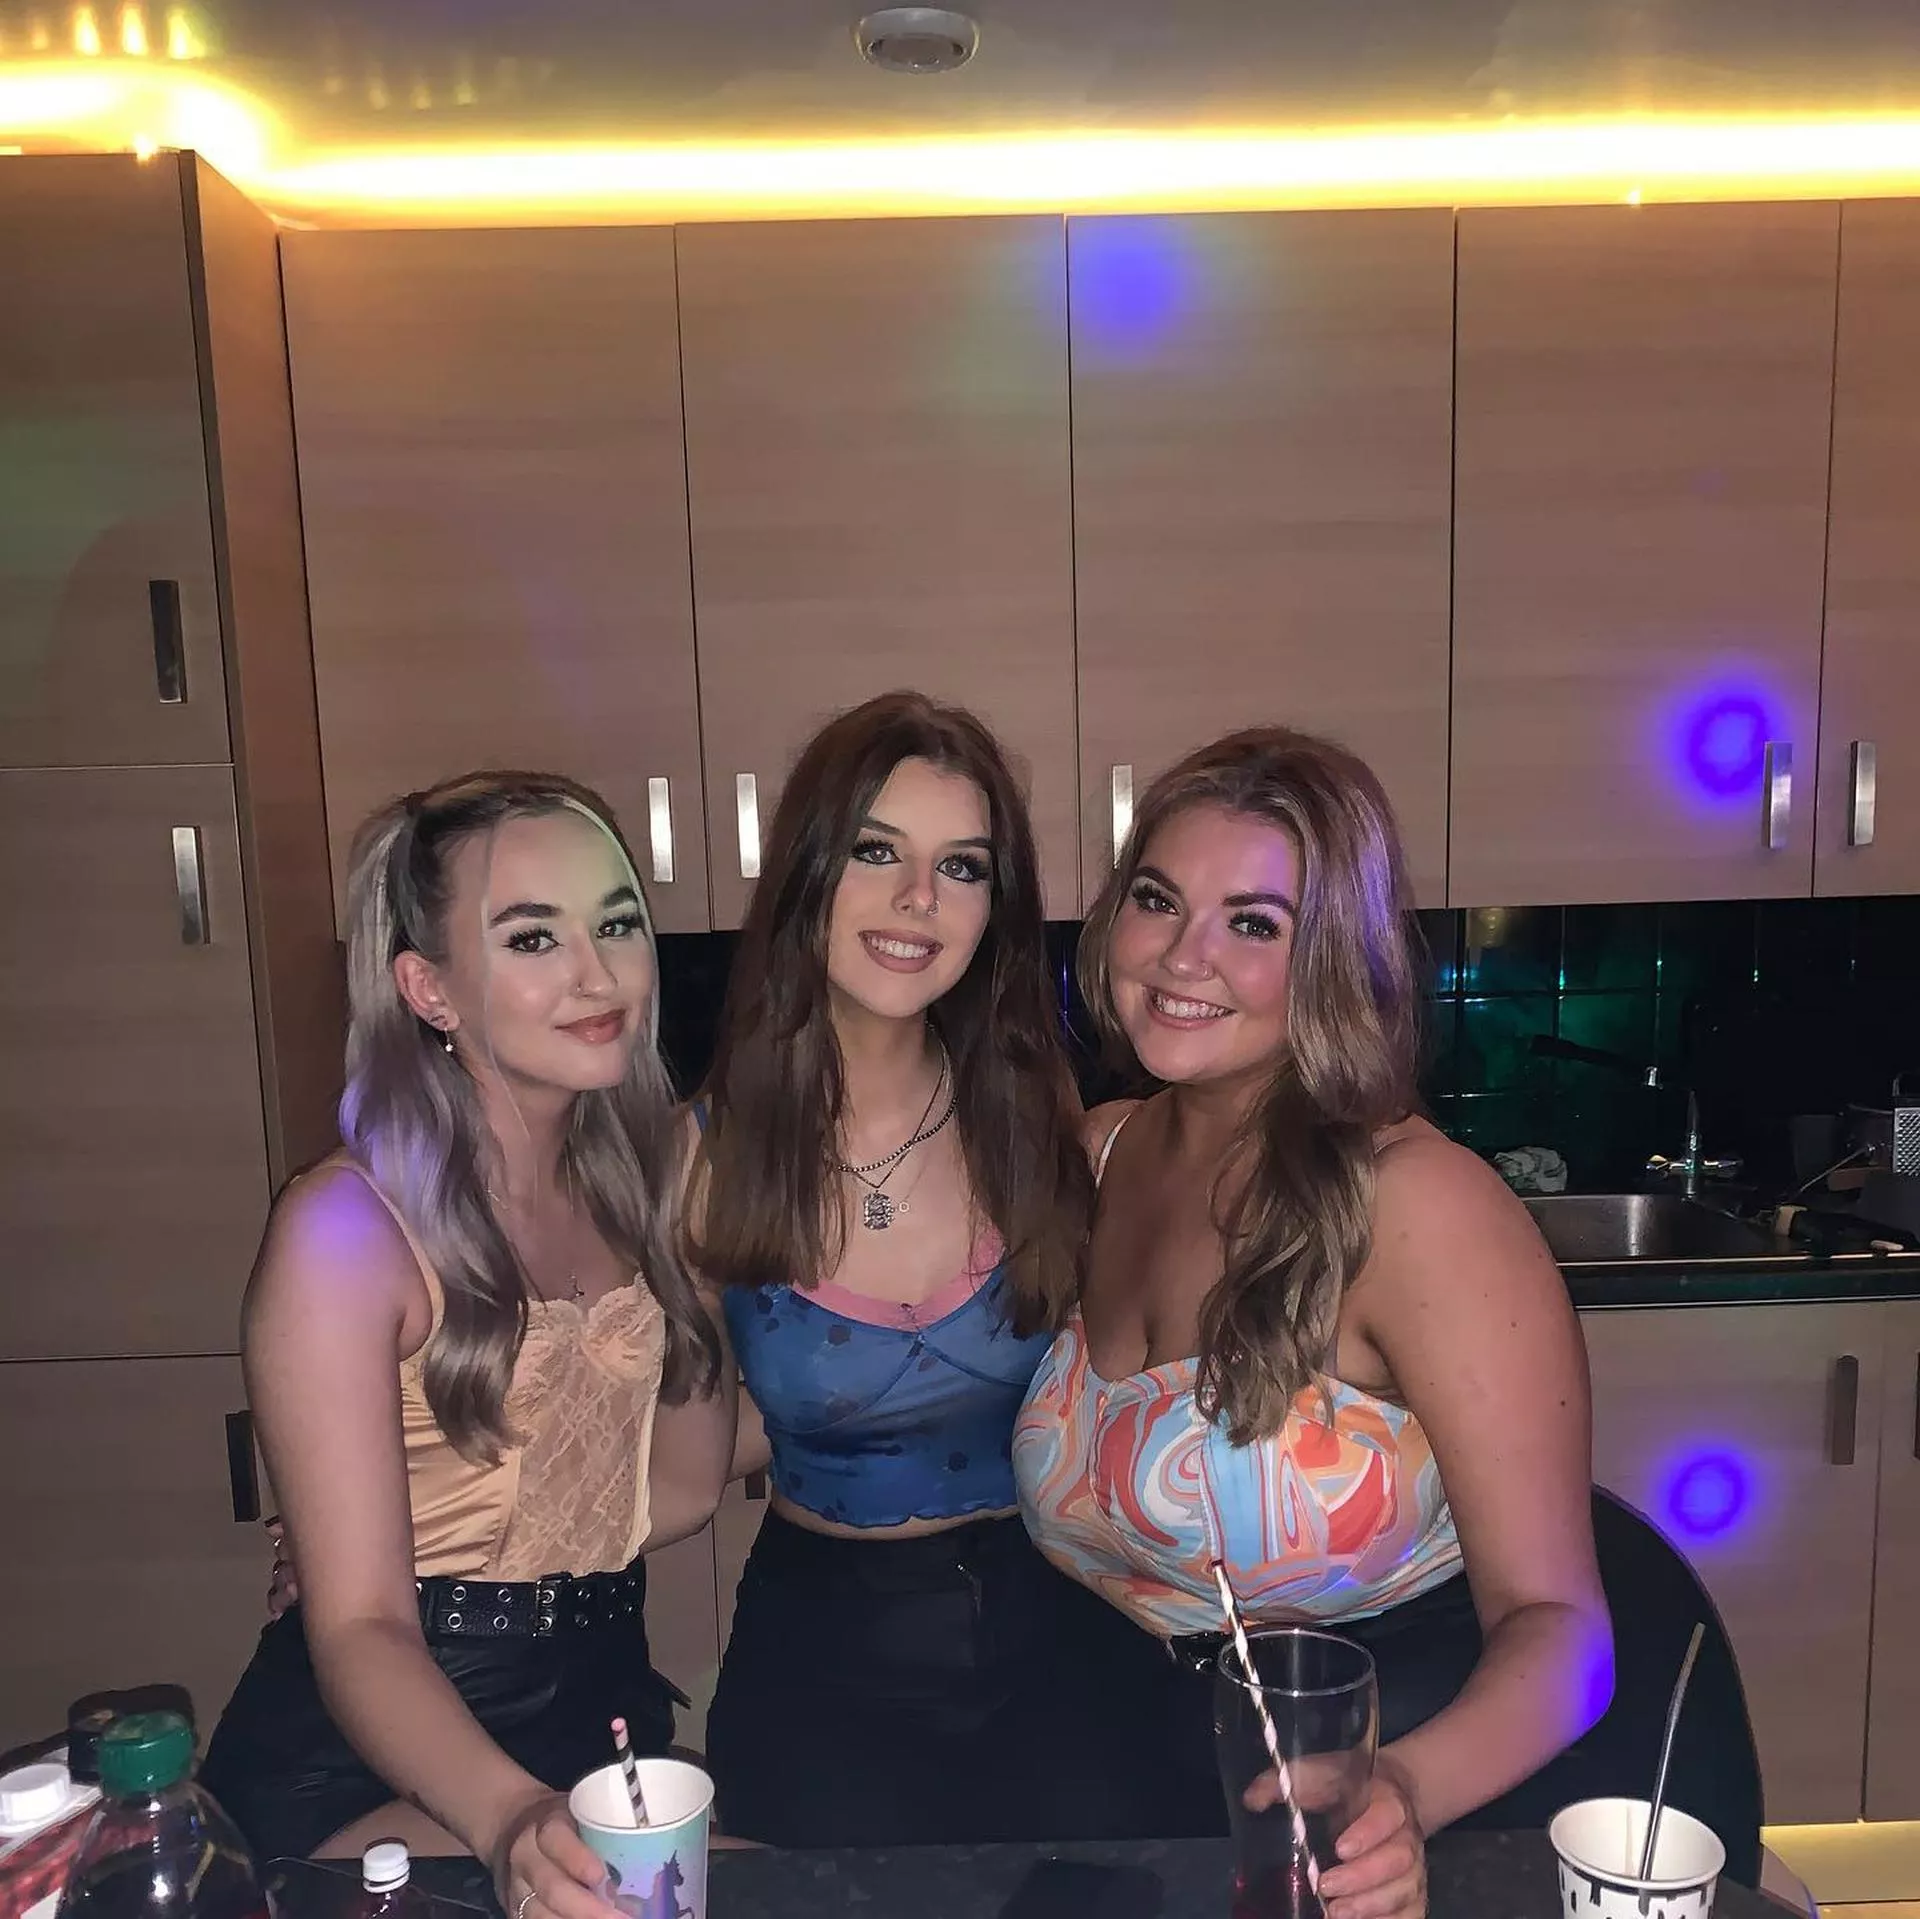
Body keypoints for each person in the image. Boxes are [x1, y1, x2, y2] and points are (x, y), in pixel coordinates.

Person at [1014, 728, 1764, 1918]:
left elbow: (1562, 1632)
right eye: (1158, 899)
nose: (1184, 956)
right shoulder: (1102, 1154)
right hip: (1140, 1780)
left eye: (1254, 922)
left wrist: (1402, 1790)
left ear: (1333, 959)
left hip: (1394, 1799)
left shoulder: (1415, 1206)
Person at [201, 772, 733, 1919]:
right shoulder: (346, 1227)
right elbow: (360, 1623)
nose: (598, 973)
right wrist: (506, 1814)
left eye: (617, 923)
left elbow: (681, 1490)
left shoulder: (655, 1184)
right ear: (428, 987)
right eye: (533, 936)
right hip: (384, 1752)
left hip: (596, 1709)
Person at [689, 691, 1171, 1847]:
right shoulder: (704, 1154)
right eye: (876, 851)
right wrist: (448, 1523)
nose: (920, 898)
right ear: (807, 870)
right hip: (824, 1656)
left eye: (962, 866)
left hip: (1067, 1628)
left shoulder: (1044, 1118)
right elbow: (676, 1452)